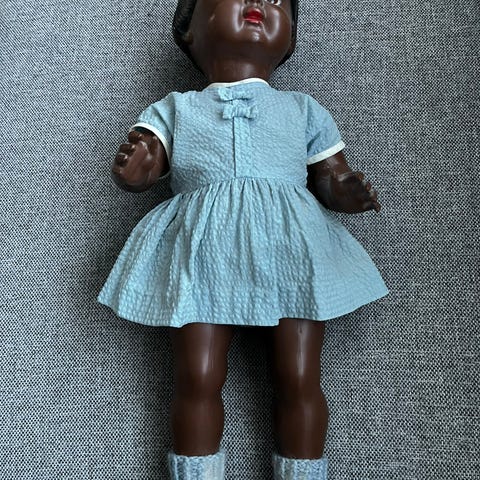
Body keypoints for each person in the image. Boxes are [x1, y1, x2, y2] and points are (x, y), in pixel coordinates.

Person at [98, 0, 388, 478]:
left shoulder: (302, 109)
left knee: (298, 376)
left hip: (290, 249)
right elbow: (148, 160)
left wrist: (343, 189)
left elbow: (328, 175)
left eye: (277, 1)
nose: (259, 3)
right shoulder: (177, 109)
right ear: (188, 30)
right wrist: (138, 169)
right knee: (197, 376)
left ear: (289, 39)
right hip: (202, 251)